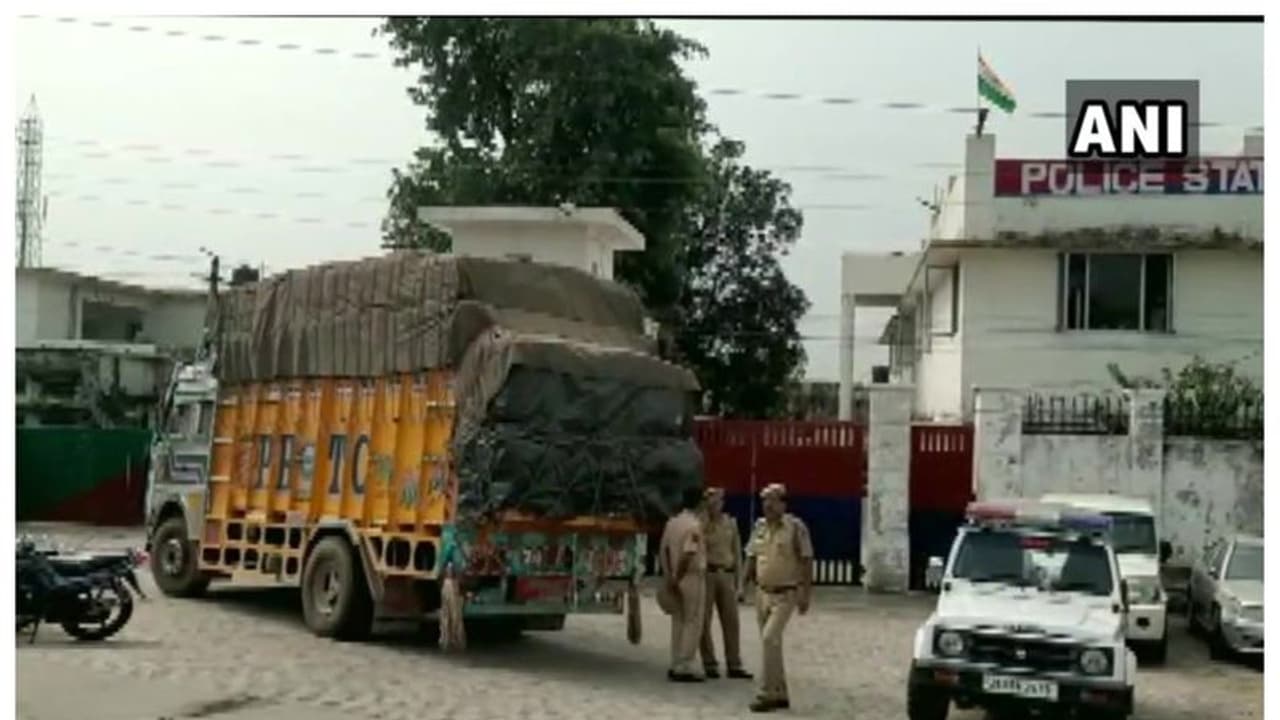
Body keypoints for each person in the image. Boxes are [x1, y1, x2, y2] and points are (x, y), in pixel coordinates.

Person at [743, 483, 814, 713]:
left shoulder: (795, 527)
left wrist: (805, 593)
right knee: (772, 644)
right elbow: (751, 556)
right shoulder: (760, 526)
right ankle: (780, 692)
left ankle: (767, 693)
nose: (768, 505)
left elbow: (806, 560)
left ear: (784, 503)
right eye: (765, 500)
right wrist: (742, 585)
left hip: (786, 593)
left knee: (769, 638)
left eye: (773, 500)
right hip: (762, 592)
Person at [699, 487, 751, 680]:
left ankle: (734, 663)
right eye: (711, 501)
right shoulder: (702, 524)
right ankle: (709, 662)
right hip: (708, 574)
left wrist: (740, 583)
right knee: (704, 621)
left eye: (718, 501)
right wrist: (704, 522)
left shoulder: (730, 523)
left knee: (731, 621)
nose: (715, 505)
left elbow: (737, 553)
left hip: (726, 573)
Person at [659, 486, 709, 682]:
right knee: (692, 620)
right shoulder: (694, 527)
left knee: (678, 620)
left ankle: (675, 661)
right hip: (690, 576)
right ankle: (685, 663)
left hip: (674, 574)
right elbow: (689, 554)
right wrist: (677, 576)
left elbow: (663, 550)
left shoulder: (672, 523)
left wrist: (668, 574)